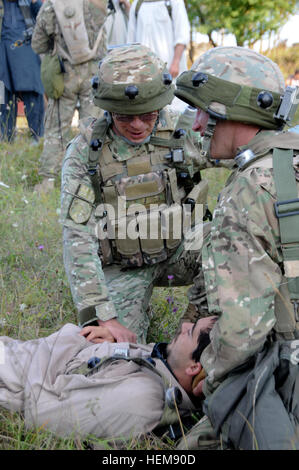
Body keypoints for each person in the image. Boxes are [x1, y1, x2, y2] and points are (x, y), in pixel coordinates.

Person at [173, 46, 299, 450]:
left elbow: (242, 334)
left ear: (236, 111)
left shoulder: (248, 190)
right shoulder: (288, 161)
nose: (197, 126)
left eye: (205, 112)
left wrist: (204, 375)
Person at [60, 43, 220, 345]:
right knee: (114, 350)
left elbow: (243, 153)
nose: (137, 125)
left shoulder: (180, 130)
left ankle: (193, 333)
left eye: (147, 115)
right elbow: (76, 235)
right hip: (123, 266)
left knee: (231, 241)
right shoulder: (85, 153)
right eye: (124, 117)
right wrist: (105, 315)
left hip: (180, 249)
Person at [0, 316, 216, 441]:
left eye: (191, 332)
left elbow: (42, 415)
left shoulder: (142, 399)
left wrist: (75, 345)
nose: (185, 325)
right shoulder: (163, 364)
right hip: (19, 354)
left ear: (194, 367)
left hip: (11, 374)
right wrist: (112, 346)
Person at [31, 0, 107, 194]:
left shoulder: (50, 5)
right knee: (92, 127)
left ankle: (48, 181)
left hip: (64, 74)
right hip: (94, 74)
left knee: (57, 127)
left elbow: (38, 45)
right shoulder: (97, 2)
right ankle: (91, 179)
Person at [126, 0, 190, 113]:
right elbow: (131, 43)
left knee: (174, 111)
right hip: (144, 75)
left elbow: (182, 34)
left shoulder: (174, 2)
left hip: (170, 72)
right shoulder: (137, 4)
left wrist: (176, 62)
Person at [0, 0, 44, 143]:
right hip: (3, 53)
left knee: (33, 94)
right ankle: (4, 143)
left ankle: (37, 140)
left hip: (26, 50)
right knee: (2, 98)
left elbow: (44, 18)